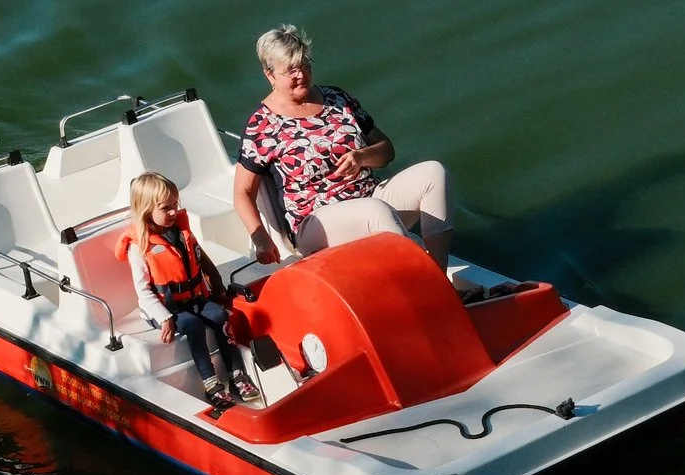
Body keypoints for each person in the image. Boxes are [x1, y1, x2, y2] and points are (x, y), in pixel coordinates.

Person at [232, 24, 454, 268]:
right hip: (315, 223)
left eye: (305, 65)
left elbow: (386, 152)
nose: (301, 75)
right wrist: (260, 236)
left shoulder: (337, 99)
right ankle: (420, 289)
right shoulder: (262, 126)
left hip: (369, 197)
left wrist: (361, 157)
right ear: (270, 75)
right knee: (375, 211)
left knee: (433, 173)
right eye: (291, 70)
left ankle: (440, 280)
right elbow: (243, 192)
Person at [121, 172, 260, 408]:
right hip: (164, 309)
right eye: (166, 208)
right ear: (146, 210)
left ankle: (237, 375)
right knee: (193, 325)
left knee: (219, 316)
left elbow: (202, 262)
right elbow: (143, 293)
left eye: (175, 205)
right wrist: (164, 318)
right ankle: (211, 383)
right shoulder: (139, 247)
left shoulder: (181, 232)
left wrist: (217, 290)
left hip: (195, 298)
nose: (174, 212)